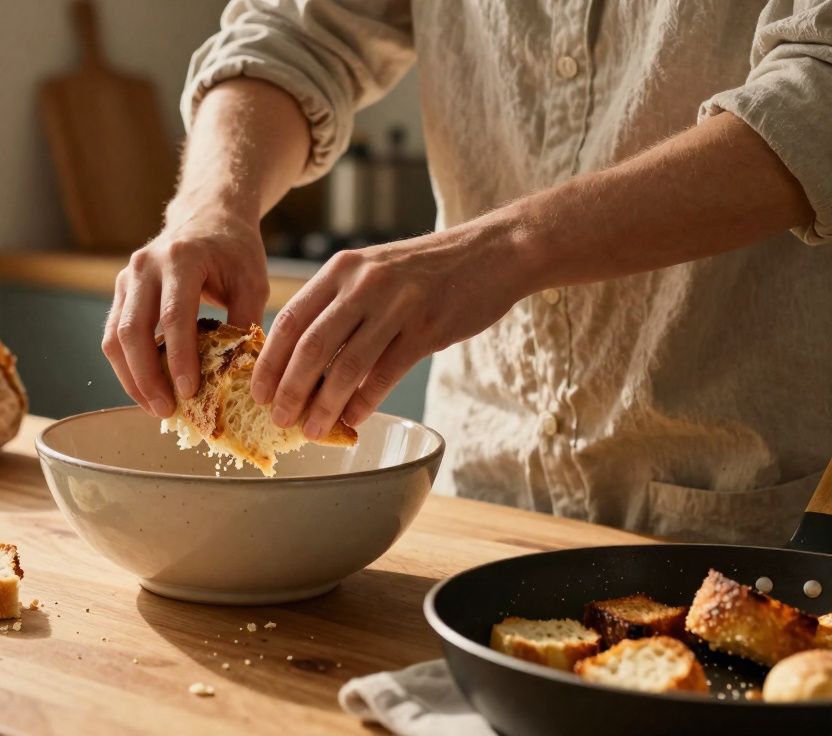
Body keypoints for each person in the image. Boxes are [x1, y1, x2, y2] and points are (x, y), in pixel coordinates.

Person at [100, 0, 832, 546]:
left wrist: (505, 248)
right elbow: (295, 31)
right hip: (474, 494)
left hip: (765, 504)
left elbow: (817, 89)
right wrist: (210, 205)